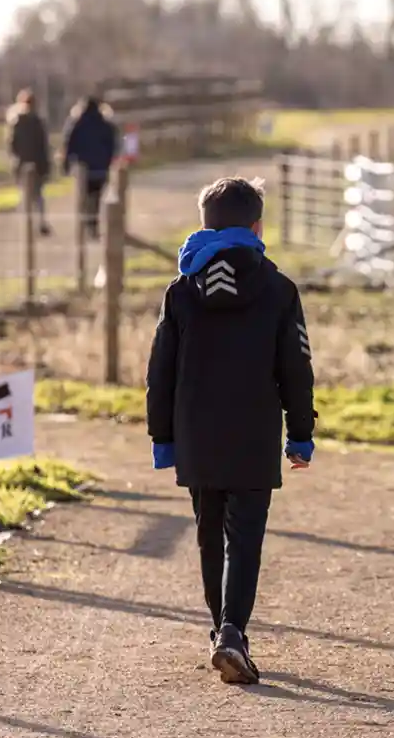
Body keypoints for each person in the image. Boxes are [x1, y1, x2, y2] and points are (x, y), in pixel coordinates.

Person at [145, 177, 316, 685]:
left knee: (208, 537)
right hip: (254, 433)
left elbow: (160, 371)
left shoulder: (180, 292)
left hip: (197, 433)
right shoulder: (278, 288)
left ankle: (221, 630)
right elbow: (297, 368)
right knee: (245, 540)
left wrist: (162, 438)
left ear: (204, 226)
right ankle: (232, 632)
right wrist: (300, 434)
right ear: (257, 226)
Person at [62, 96, 119, 240]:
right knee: (96, 196)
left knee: (84, 195)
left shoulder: (77, 123)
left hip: (84, 167)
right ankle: (93, 223)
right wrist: (109, 160)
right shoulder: (105, 124)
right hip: (100, 167)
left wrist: (67, 163)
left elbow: (70, 144)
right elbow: (112, 144)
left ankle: (86, 223)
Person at [6, 89, 52, 236]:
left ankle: (27, 224)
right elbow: (43, 146)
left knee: (25, 194)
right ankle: (40, 222)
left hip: (22, 163)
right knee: (38, 196)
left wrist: (15, 159)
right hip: (37, 164)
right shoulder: (38, 122)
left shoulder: (17, 121)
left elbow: (12, 144)